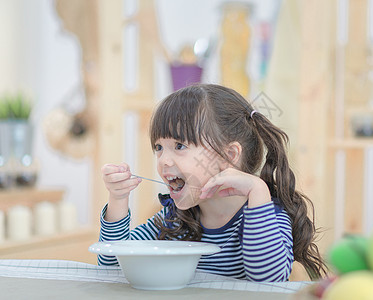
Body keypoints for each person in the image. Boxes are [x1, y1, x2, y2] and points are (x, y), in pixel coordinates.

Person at [99, 84, 327, 281]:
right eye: (159, 148)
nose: (163, 161)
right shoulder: (174, 219)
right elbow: (112, 267)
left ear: (229, 155)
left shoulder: (267, 214)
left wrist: (258, 190)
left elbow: (268, 279)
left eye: (179, 146)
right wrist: (117, 200)